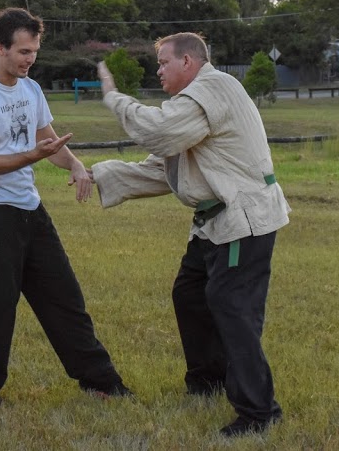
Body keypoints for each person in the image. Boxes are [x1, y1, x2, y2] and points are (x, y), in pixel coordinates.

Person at [90, 32, 289, 438]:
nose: (157, 70)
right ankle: (208, 380)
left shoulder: (216, 87)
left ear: (188, 62)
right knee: (190, 293)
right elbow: (160, 168)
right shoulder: (194, 107)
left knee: (231, 307)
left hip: (243, 217)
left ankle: (259, 412)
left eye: (163, 62)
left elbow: (156, 132)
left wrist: (114, 96)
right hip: (215, 222)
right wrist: (95, 173)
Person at [0, 7, 131, 404]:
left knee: (64, 298)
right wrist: (35, 155)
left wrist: (75, 163)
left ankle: (101, 382)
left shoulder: (30, 90)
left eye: (34, 51)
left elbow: (48, 142)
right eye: (23, 51)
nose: (30, 59)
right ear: (0, 47)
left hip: (29, 210)